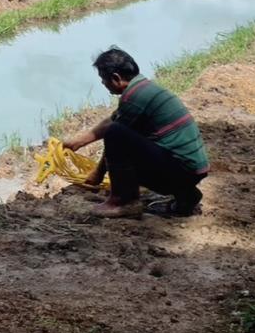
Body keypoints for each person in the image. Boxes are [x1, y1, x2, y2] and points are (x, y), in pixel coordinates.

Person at [62, 46, 209, 218]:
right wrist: (79, 142)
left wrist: (98, 172)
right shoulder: (143, 89)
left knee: (116, 133)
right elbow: (113, 120)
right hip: (193, 169)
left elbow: (115, 135)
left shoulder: (134, 98)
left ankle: (124, 201)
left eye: (103, 80)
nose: (103, 84)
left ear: (116, 78)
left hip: (180, 170)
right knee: (118, 130)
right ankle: (187, 195)